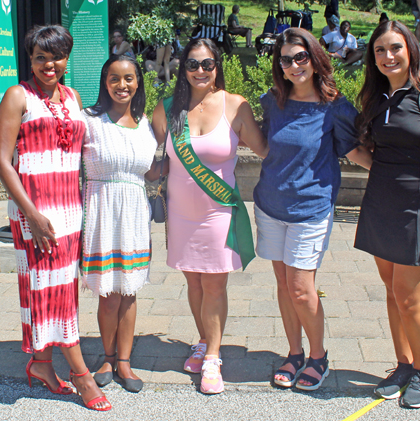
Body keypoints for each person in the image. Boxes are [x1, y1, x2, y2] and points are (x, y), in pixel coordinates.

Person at [0, 25, 111, 411]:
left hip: (69, 211)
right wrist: (32, 214)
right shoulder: (17, 96)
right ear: (30, 59)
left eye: (56, 56)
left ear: (66, 58)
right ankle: (81, 374)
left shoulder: (73, 96)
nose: (49, 64)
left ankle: (42, 365)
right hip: (35, 211)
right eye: (41, 57)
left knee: (62, 288)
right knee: (50, 289)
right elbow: (1, 161)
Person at [254, 27, 372, 391]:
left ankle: (318, 356)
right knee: (283, 285)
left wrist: (399, 177)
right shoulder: (272, 101)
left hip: (311, 210)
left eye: (300, 57)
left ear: (315, 59)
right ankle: (294, 353)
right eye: (286, 59)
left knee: (302, 289)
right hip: (270, 206)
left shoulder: (335, 107)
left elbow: (355, 153)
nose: (293, 65)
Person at [151, 38, 268, 394]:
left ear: (218, 66)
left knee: (215, 282)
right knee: (194, 282)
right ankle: (203, 340)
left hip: (218, 212)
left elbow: (264, 149)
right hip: (181, 214)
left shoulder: (236, 106)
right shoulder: (167, 109)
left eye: (207, 64)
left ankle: (213, 356)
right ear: (182, 68)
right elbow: (145, 153)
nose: (200, 71)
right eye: (192, 64)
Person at [355, 20, 420, 408]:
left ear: (410, 48)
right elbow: (377, 155)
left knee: (408, 296)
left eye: (395, 48)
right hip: (381, 203)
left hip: (418, 207)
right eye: (380, 51)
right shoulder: (380, 96)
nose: (388, 56)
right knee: (392, 292)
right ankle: (403, 365)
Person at [81, 55, 158, 393]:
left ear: (138, 82)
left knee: (128, 291)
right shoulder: (89, 121)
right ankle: (107, 357)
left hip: (135, 212)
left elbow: (152, 171)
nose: (122, 85)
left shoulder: (144, 124)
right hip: (100, 210)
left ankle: (125, 361)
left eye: (128, 78)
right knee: (109, 294)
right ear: (105, 82)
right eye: (114, 78)